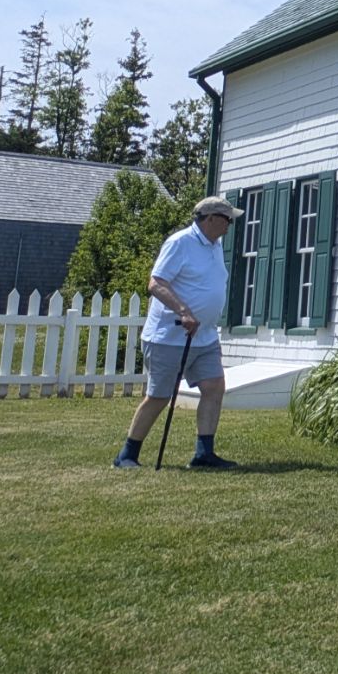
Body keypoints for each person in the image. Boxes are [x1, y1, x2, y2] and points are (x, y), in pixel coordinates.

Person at [114, 196, 243, 470]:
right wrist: (183, 311)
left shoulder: (215, 246)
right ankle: (126, 455)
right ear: (210, 219)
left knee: (214, 387)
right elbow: (156, 283)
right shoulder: (179, 243)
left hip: (205, 336)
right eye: (227, 220)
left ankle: (204, 454)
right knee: (160, 396)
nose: (229, 225)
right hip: (170, 337)